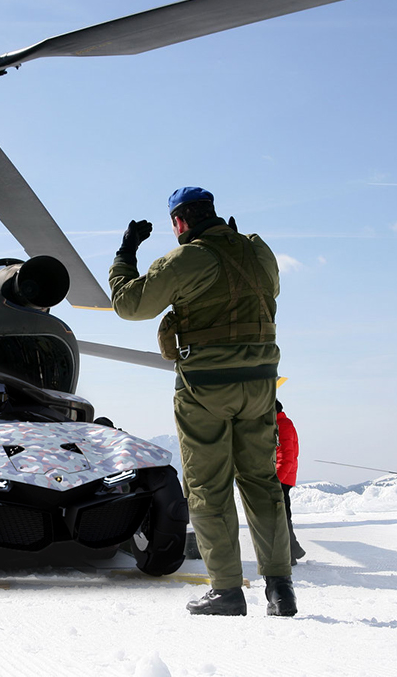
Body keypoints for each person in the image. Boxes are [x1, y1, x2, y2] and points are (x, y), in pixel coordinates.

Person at [109, 187, 296, 617]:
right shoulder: (257, 251)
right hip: (261, 384)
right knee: (262, 484)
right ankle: (280, 589)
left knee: (207, 488)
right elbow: (270, 292)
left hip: (207, 387)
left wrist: (126, 253)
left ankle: (228, 591)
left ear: (179, 222)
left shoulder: (186, 259)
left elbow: (129, 304)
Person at [275, 401, 305, 566]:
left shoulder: (282, 425)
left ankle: (290, 553)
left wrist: (276, 480)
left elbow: (285, 456)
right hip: (284, 477)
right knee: (283, 515)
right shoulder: (281, 424)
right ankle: (294, 550)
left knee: (281, 516)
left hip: (282, 478)